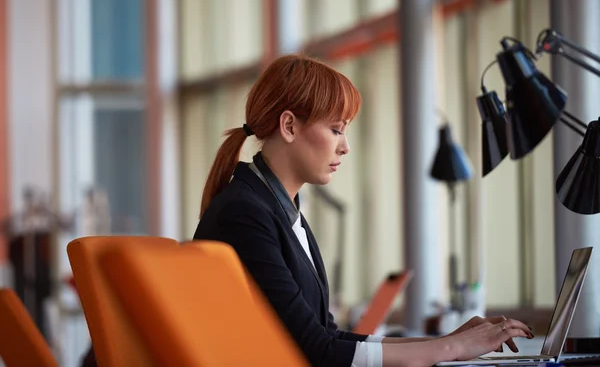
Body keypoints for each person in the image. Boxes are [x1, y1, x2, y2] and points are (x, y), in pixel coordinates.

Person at [193, 54, 533, 367]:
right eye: (336, 129)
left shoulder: (275, 207)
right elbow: (316, 350)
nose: (346, 146)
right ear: (289, 126)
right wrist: (451, 350)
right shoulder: (246, 214)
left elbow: (326, 334)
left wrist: (447, 340)